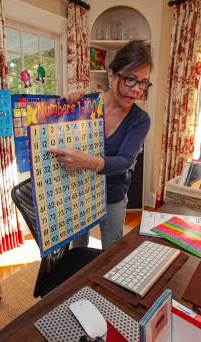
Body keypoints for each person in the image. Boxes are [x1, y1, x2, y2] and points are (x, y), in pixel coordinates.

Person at [47, 40, 152, 250]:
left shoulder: (140, 119)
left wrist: (87, 162)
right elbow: (58, 136)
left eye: (143, 82)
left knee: (112, 251)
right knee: (78, 248)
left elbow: (125, 161)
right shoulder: (86, 105)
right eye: (130, 79)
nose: (136, 90)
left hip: (113, 195)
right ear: (111, 76)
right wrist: (66, 104)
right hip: (79, 190)